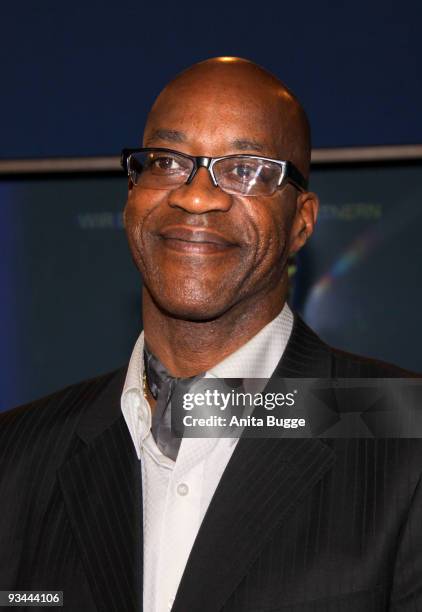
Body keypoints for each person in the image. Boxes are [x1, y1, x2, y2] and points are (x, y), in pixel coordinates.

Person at [1, 57, 421, 612]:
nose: (197, 197)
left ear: (302, 221)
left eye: (247, 168)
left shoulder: (405, 434)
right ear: (131, 197)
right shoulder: (15, 457)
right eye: (168, 162)